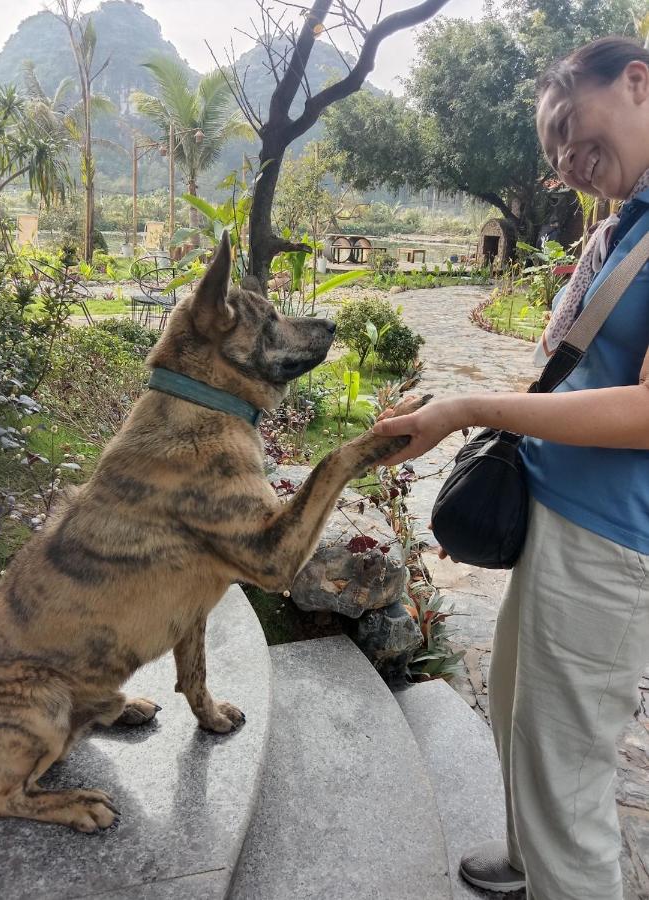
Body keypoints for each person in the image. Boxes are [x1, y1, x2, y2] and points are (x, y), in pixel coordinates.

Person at [372, 36, 649, 900]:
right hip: (559, 518)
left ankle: (563, 871)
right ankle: (532, 863)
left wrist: (466, 410)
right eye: (551, 147)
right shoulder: (628, 224)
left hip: (609, 543)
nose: (564, 157)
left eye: (569, 124)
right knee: (522, 716)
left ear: (637, 82)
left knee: (566, 770)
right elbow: (582, 376)